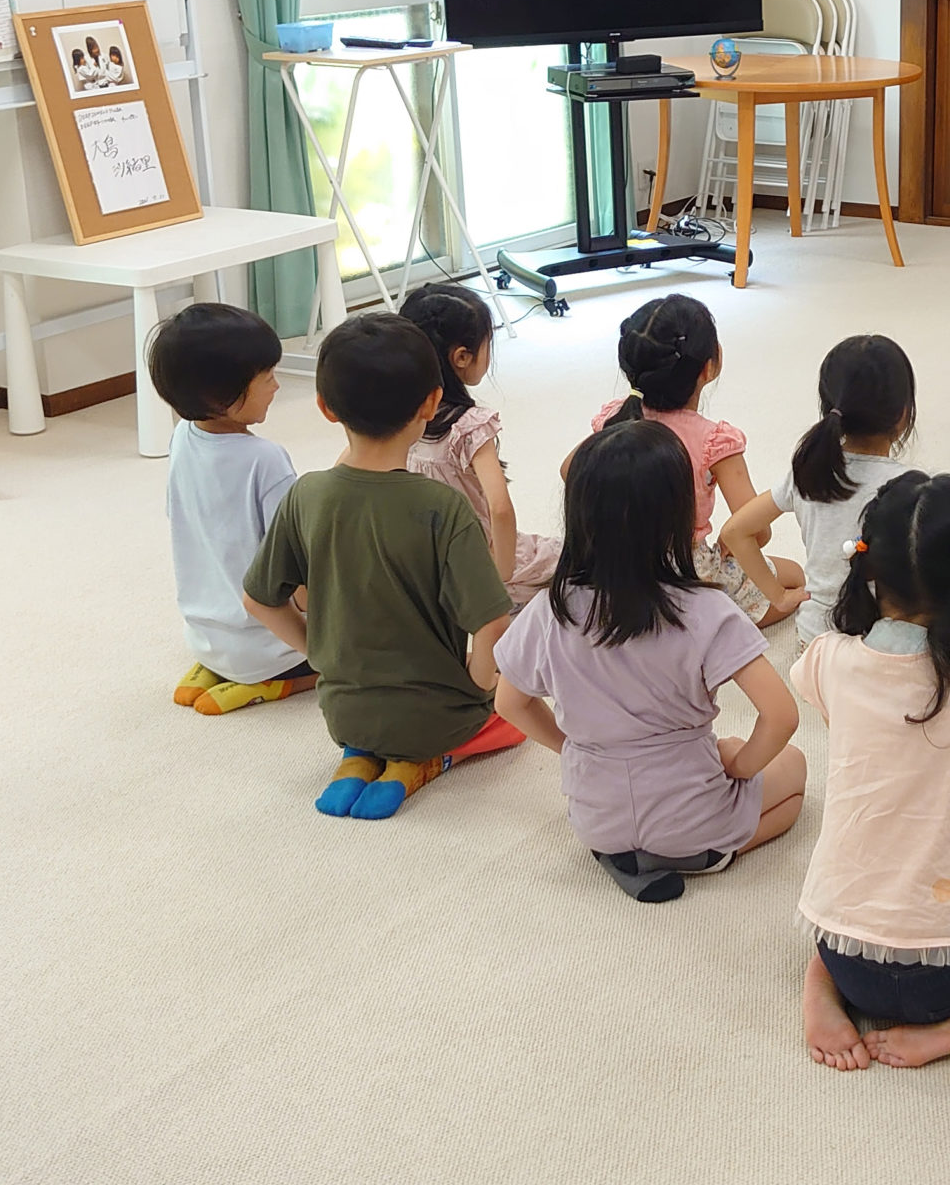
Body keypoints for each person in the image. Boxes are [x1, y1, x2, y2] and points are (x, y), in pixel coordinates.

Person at [494, 421, 808, 904]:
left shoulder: (546, 611)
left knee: (712, 764)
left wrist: (573, 749)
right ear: (678, 515)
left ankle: (635, 857)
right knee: (794, 772)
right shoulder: (707, 610)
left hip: (596, 820)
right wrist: (742, 768)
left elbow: (510, 702)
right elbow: (782, 716)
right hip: (693, 818)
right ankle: (702, 854)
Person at [794, 472, 950, 1072]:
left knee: (852, 898)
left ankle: (821, 986)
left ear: (867, 566)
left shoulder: (827, 658)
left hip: (850, 958)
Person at [243, 313, 526, 821]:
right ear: (433, 402)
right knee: (516, 714)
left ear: (326, 407)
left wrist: (318, 651)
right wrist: (482, 682)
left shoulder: (307, 493)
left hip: (343, 712)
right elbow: (492, 623)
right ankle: (425, 761)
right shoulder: (442, 506)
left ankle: (361, 757)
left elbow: (258, 599)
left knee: (381, 721)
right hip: (438, 717)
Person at [582, 295, 807, 628]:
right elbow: (756, 528)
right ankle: (698, 628)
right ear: (708, 367)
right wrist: (734, 544)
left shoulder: (612, 421)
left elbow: (569, 471)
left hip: (614, 563)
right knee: (795, 578)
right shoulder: (714, 443)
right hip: (685, 568)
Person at [145, 303, 314, 715]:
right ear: (221, 396)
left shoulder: (184, 436)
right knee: (361, 647)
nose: (277, 386)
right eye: (268, 377)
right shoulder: (265, 459)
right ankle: (273, 686)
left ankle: (219, 668)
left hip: (204, 637)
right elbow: (297, 564)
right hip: (274, 648)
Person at [720, 334, 914, 647]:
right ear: (902, 413)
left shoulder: (808, 473)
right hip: (881, 644)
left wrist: (779, 597)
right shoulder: (910, 487)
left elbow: (734, 532)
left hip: (816, 640)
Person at [400, 284, 557, 607]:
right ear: (462, 356)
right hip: (477, 561)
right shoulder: (468, 427)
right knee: (568, 559)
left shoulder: (396, 420)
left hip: (426, 563)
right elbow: (500, 508)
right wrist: (501, 575)